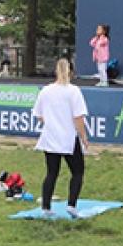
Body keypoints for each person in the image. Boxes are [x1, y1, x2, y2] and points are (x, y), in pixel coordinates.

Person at [31, 58, 91, 217]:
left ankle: (46, 206)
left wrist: (50, 123)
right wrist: (83, 137)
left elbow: (38, 114)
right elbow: (78, 117)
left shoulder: (46, 91)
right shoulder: (73, 91)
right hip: (68, 138)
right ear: (70, 72)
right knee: (78, 172)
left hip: (50, 137)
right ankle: (71, 204)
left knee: (52, 172)